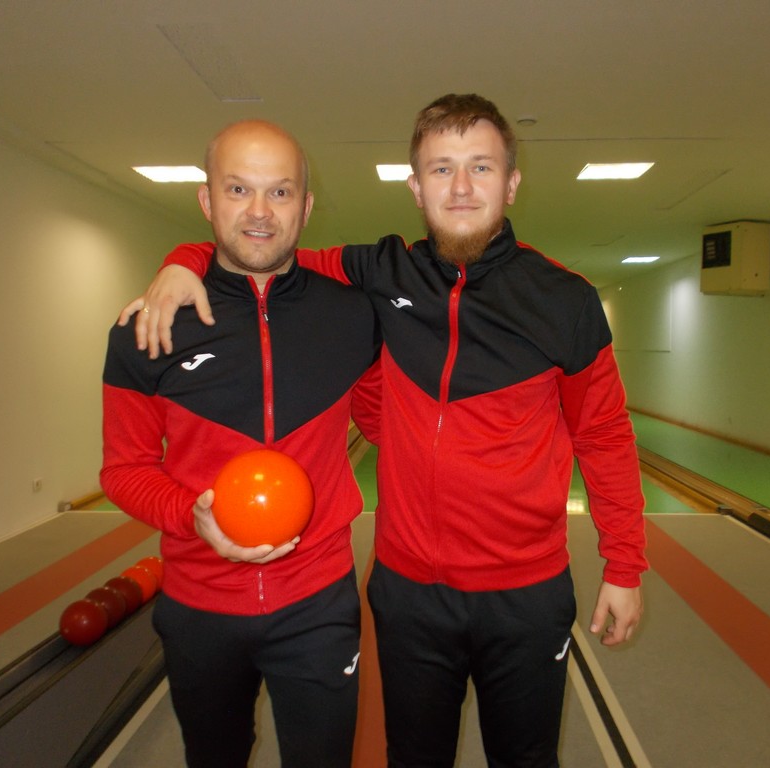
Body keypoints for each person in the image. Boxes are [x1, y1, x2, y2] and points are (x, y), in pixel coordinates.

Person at [122, 94, 646, 768]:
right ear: (415, 187)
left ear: (512, 183)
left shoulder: (565, 301)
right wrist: (183, 259)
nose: (461, 187)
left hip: (525, 594)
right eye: (441, 169)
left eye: (481, 167)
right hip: (408, 593)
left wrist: (623, 566)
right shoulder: (380, 271)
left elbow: (604, 436)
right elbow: (263, 249)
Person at [101, 119, 381, 768]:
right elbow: (123, 469)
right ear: (207, 200)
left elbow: (387, 423)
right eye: (238, 189)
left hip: (318, 600)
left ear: (305, 206)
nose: (259, 211)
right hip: (198, 606)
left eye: (280, 192)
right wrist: (189, 515)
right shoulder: (148, 328)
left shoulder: (350, 316)